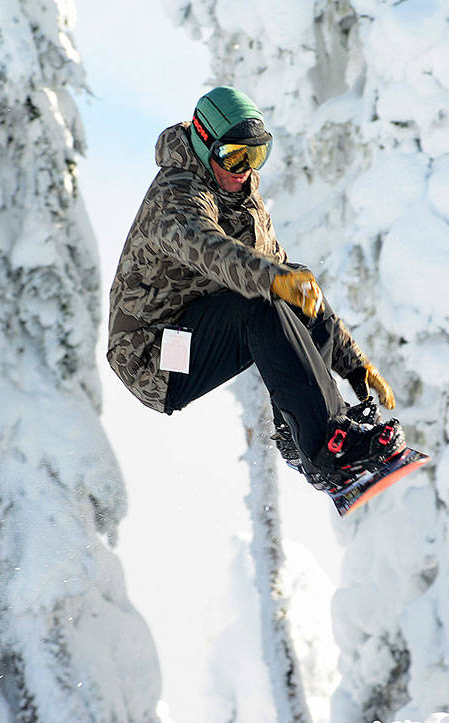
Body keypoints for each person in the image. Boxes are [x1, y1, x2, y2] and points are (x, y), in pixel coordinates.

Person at [105, 86, 405, 491]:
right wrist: (272, 279)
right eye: (233, 155)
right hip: (154, 354)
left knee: (291, 282)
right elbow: (210, 251)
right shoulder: (175, 197)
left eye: (256, 155)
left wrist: (352, 362)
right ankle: (326, 449)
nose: (243, 168)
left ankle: (305, 432)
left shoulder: (242, 197)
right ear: (203, 143)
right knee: (260, 302)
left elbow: (288, 280)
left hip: (198, 325)